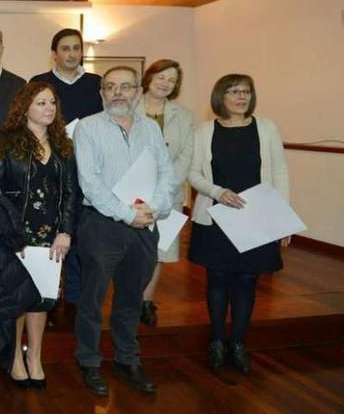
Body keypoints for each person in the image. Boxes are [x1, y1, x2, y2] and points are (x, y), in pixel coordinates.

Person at [72, 66, 176, 397]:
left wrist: (153, 209)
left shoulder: (151, 130)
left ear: (137, 92)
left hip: (145, 224)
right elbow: (90, 182)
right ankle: (89, 362)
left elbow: (166, 174)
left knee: (132, 298)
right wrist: (126, 214)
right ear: (101, 93)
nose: (118, 92)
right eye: (110, 87)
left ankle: (127, 359)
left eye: (126, 87)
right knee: (92, 299)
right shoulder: (87, 129)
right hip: (102, 225)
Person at [188, 74, 289, 374]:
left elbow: (280, 172)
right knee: (217, 280)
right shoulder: (204, 131)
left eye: (246, 91)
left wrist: (281, 218)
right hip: (216, 216)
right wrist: (217, 192)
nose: (241, 97)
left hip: (257, 216)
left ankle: (238, 343)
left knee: (247, 281)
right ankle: (217, 342)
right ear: (221, 96)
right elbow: (193, 173)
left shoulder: (267, 128)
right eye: (233, 91)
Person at [0, 81, 79, 390]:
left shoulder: (64, 143)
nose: (48, 108)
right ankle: (15, 357)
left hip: (52, 235)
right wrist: (6, 232)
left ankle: (35, 358)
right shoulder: (5, 141)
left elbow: (71, 193)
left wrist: (66, 231)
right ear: (25, 107)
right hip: (16, 234)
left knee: (42, 298)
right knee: (17, 299)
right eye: (41, 103)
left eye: (52, 103)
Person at [31, 28, 103, 310]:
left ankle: (75, 301)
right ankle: (46, 299)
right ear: (55, 53)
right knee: (51, 236)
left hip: (89, 171)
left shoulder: (96, 83)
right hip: (51, 170)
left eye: (76, 48)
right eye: (65, 48)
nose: (72, 54)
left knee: (81, 239)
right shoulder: (40, 83)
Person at [135, 59, 194, 326]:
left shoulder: (183, 115)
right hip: (130, 192)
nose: (165, 83)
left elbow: (186, 155)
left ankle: (146, 300)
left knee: (158, 251)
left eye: (171, 80)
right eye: (161, 77)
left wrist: (167, 186)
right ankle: (128, 299)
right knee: (130, 250)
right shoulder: (128, 105)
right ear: (149, 77)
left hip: (168, 193)